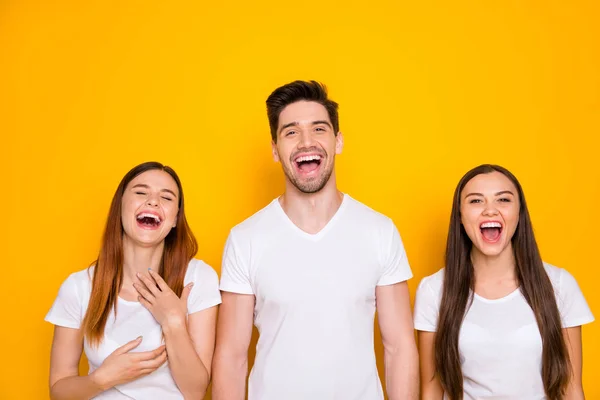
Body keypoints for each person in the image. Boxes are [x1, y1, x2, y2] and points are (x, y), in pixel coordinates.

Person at [212, 80, 419, 400]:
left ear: (338, 142)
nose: (306, 142)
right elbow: (231, 356)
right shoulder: (245, 239)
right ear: (275, 150)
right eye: (291, 132)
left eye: (319, 129)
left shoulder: (380, 231)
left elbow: (399, 347)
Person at [414, 164, 594, 399]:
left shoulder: (559, 285)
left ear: (519, 213)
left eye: (503, 200)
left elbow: (571, 388)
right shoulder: (434, 290)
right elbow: (432, 390)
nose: (490, 210)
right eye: (476, 201)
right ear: (459, 216)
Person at [45, 161, 221, 399]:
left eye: (166, 198)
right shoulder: (78, 287)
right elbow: (59, 392)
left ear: (175, 219)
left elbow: (195, 391)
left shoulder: (198, 279)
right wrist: (102, 379)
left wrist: (173, 322)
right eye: (141, 192)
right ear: (120, 208)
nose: (153, 201)